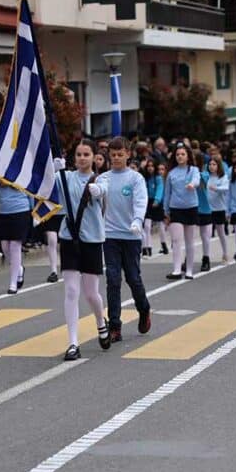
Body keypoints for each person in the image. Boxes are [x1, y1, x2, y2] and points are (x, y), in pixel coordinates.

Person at [57, 139, 110, 361]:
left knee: (91, 294)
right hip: (69, 238)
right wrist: (54, 167)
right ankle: (72, 342)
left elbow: (104, 193)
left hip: (92, 241)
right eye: (78, 154)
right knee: (71, 290)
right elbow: (47, 182)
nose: (81, 158)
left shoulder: (101, 180)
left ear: (94, 157)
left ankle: (100, 321)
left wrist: (98, 190)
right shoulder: (66, 178)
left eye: (86, 154)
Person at [98, 137, 151, 343]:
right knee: (112, 279)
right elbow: (96, 199)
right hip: (110, 235)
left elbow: (140, 201)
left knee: (133, 278)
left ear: (128, 154)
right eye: (113, 155)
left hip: (131, 235)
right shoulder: (104, 178)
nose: (117, 158)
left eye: (121, 155)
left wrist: (138, 220)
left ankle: (144, 309)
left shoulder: (135, 178)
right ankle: (115, 326)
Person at [0, 175, 32, 294]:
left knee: (15, 246)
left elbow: (30, 187)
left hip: (21, 209)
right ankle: (19, 269)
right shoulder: (0, 166)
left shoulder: (22, 166)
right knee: (5, 246)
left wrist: (34, 210)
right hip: (4, 211)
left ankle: (13, 283)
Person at [163, 143, 200, 280]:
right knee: (176, 240)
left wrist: (192, 184)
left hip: (190, 207)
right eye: (177, 154)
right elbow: (167, 194)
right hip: (175, 209)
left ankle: (189, 270)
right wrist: (166, 211)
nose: (180, 156)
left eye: (183, 154)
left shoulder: (193, 170)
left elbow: (197, 180)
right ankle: (177, 269)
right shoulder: (171, 173)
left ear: (188, 156)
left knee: (189, 240)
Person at [205, 155, 230, 263]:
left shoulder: (223, 177)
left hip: (219, 208)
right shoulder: (207, 177)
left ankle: (225, 253)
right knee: (207, 232)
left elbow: (226, 188)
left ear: (218, 166)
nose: (211, 166)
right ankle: (206, 256)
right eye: (210, 164)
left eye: (214, 164)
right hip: (208, 209)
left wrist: (216, 188)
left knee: (221, 232)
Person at [143, 160, 168, 256]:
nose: (150, 168)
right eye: (148, 166)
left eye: (152, 166)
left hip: (157, 202)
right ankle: (147, 247)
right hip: (148, 202)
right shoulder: (146, 178)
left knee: (160, 224)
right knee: (147, 226)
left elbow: (160, 189)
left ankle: (164, 243)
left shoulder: (158, 178)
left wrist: (157, 200)